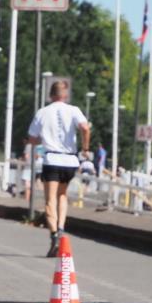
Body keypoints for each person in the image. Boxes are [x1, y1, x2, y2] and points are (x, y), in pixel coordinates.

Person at [27, 80, 91, 257]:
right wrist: (85, 148)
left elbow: (32, 138)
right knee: (62, 196)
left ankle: (54, 234)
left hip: (52, 158)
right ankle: (61, 228)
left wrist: (43, 139)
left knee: (50, 200)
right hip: (70, 160)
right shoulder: (74, 110)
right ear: (66, 95)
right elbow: (85, 128)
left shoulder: (43, 112)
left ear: (51, 95)